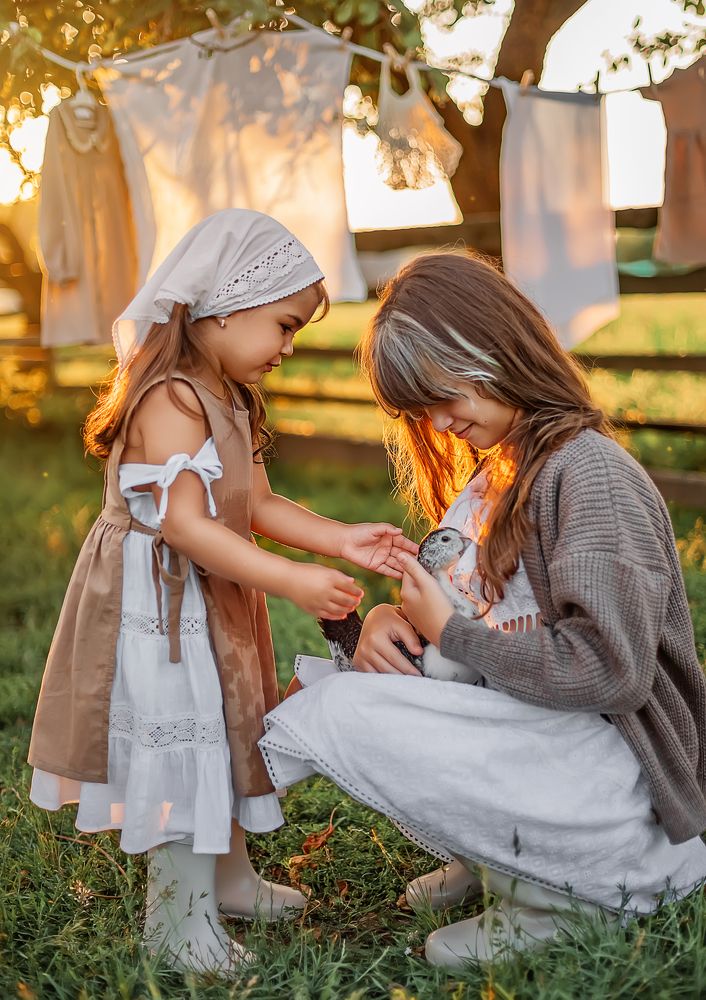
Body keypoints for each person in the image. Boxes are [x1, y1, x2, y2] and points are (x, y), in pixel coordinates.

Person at [258, 251, 706, 969]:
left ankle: (569, 897)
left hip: (618, 792)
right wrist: (385, 625)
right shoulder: (498, 470)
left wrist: (454, 635)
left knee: (339, 714)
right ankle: (501, 858)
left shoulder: (587, 474)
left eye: (441, 396)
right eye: (417, 411)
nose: (436, 424)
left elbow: (610, 673)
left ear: (493, 348)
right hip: (551, 748)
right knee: (338, 690)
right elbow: (470, 622)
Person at [27, 209, 416, 975]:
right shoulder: (169, 397)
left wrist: (338, 539)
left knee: (226, 728)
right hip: (159, 606)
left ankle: (229, 878)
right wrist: (293, 580)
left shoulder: (228, 393)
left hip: (212, 594)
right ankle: (176, 922)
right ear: (226, 307)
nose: (289, 346)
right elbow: (186, 528)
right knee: (187, 740)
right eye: (284, 325)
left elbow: (256, 504)